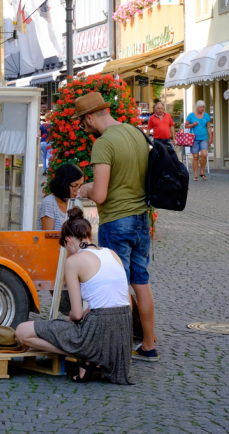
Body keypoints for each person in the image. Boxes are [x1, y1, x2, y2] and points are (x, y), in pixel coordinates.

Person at [75, 92, 158, 362]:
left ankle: (119, 349)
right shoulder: (135, 133)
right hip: (141, 219)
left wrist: (85, 189)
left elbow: (100, 195)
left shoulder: (104, 143)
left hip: (116, 221)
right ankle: (148, 344)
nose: (83, 127)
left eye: (82, 122)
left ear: (89, 117)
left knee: (118, 286)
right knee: (141, 282)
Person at [17, 207, 133, 385]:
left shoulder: (73, 261)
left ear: (68, 241)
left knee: (22, 332)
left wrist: (66, 323)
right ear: (90, 236)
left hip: (95, 330)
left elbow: (77, 314)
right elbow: (126, 302)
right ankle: (100, 356)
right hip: (122, 332)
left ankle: (87, 356)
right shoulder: (112, 254)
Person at [36, 163, 84, 230]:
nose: (78, 190)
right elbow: (48, 235)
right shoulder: (49, 203)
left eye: (81, 186)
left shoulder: (75, 202)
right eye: (75, 186)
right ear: (63, 184)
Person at [185, 100, 214, 181]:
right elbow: (186, 126)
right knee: (195, 156)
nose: (202, 108)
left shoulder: (206, 115)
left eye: (203, 107)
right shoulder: (191, 115)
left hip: (204, 138)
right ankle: (195, 175)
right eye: (201, 107)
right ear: (197, 107)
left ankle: (202, 172)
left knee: (204, 155)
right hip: (194, 139)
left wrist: (211, 137)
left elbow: (209, 127)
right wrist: (193, 125)